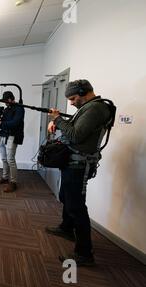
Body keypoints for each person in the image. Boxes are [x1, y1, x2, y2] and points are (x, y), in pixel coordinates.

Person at [45, 79, 113, 266]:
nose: (71, 102)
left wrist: (57, 120)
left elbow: (76, 135)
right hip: (72, 163)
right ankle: (67, 228)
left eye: (73, 98)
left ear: (84, 92)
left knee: (77, 207)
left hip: (79, 166)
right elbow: (77, 129)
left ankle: (84, 253)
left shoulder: (96, 109)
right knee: (65, 197)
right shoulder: (88, 108)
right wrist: (58, 123)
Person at [0, 91, 25, 192]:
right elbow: (3, 123)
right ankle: (5, 178)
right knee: (4, 159)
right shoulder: (6, 109)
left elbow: (14, 123)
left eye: (6, 101)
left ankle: (13, 182)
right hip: (2, 135)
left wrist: (0, 123)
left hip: (12, 136)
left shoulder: (19, 108)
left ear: (10, 99)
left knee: (10, 159)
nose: (5, 103)